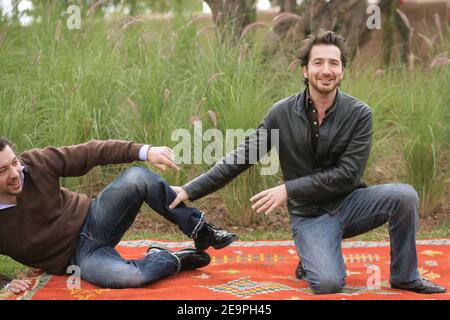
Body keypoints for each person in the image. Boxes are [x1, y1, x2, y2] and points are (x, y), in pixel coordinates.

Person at [169, 30, 446, 295]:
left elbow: (348, 176)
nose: (326, 70)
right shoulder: (281, 113)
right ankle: (311, 256)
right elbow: (240, 158)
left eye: (334, 63)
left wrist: (288, 189)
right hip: (309, 214)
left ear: (342, 71)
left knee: (404, 196)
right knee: (327, 284)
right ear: (305, 70)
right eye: (318, 63)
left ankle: (405, 276)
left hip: (350, 203)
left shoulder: (360, 114)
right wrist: (190, 190)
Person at [0, 138, 238, 293]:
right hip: (79, 259)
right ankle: (172, 260)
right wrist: (4, 282)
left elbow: (90, 152)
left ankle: (201, 231)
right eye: (3, 170)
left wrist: (145, 151)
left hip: (95, 217)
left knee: (137, 178)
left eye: (15, 162)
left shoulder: (35, 164)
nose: (15, 173)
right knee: (131, 277)